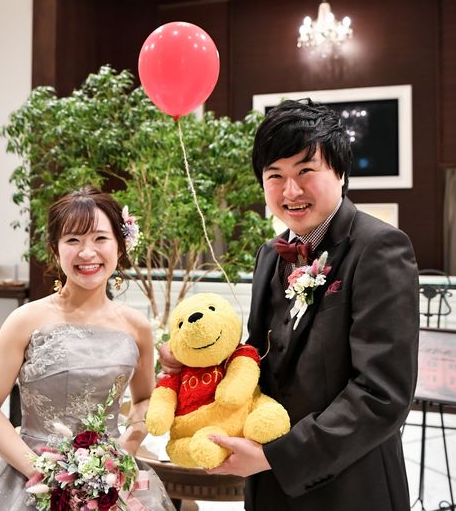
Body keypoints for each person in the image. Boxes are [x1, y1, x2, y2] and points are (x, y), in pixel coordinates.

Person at [160, 99, 419, 510]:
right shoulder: (270, 254)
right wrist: (200, 365)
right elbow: (262, 354)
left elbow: (381, 394)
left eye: (305, 171)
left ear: (340, 171)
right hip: (270, 489)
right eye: (275, 176)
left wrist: (277, 457)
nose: (290, 191)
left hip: (349, 487)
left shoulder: (379, 248)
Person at [0, 186, 175, 510]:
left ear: (120, 246)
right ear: (55, 250)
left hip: (112, 483)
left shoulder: (137, 327)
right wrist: (44, 473)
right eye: (73, 240)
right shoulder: (25, 320)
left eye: (100, 238)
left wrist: (126, 450)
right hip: (33, 478)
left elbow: (144, 399)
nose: (87, 252)